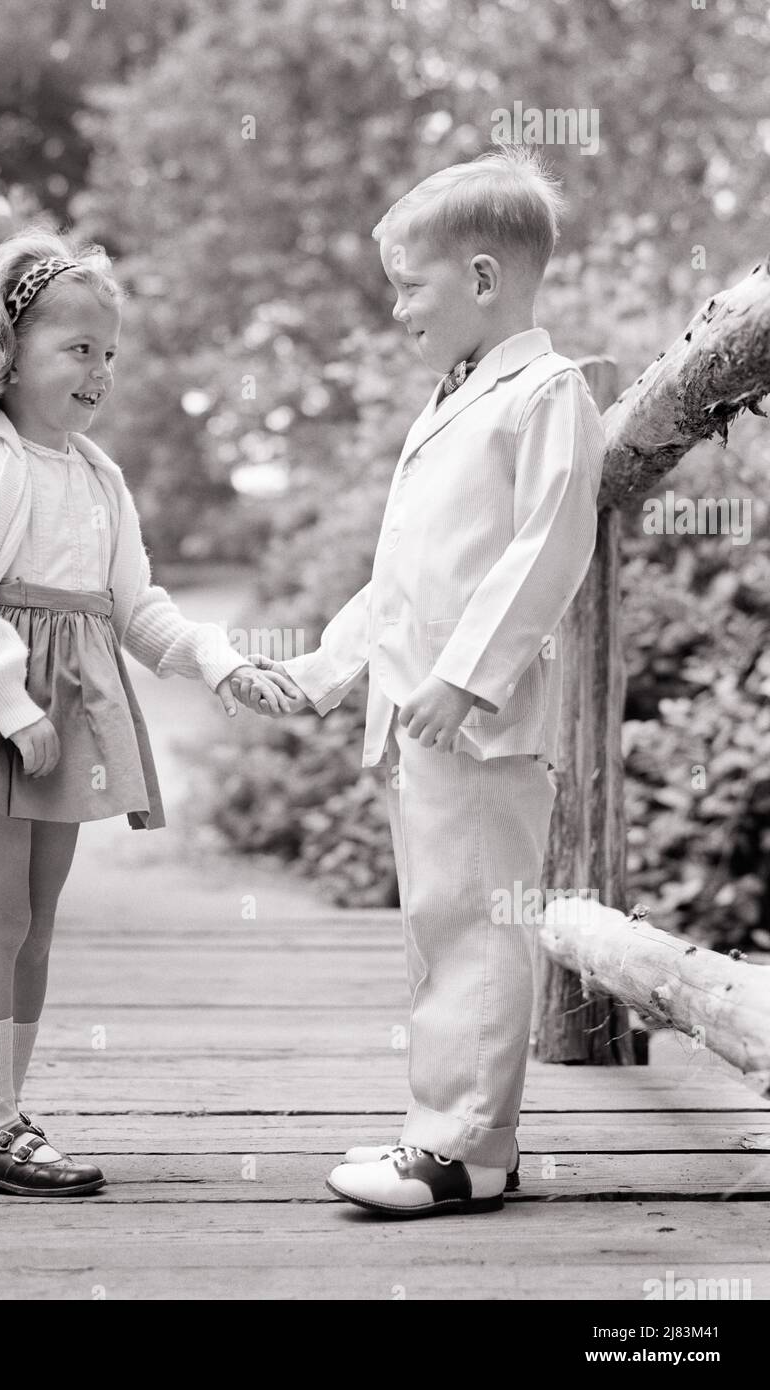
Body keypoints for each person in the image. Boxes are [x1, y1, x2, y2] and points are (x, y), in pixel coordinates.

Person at [0, 230, 290, 1197]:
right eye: (77, 349)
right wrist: (11, 702)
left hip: (64, 711)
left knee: (38, 921)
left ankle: (3, 1117)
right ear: (7, 356)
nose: (98, 371)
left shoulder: (99, 477)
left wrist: (220, 664)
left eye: (109, 353)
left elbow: (136, 608)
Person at [253, 145, 606, 1218]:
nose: (398, 306)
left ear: (484, 279)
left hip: (478, 724)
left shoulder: (544, 393)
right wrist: (318, 672)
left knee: (479, 929)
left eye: (409, 283)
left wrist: (464, 677)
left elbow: (546, 550)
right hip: (424, 724)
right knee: (440, 926)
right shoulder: (453, 399)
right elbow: (402, 578)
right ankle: (450, 1126)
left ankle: (460, 1148)